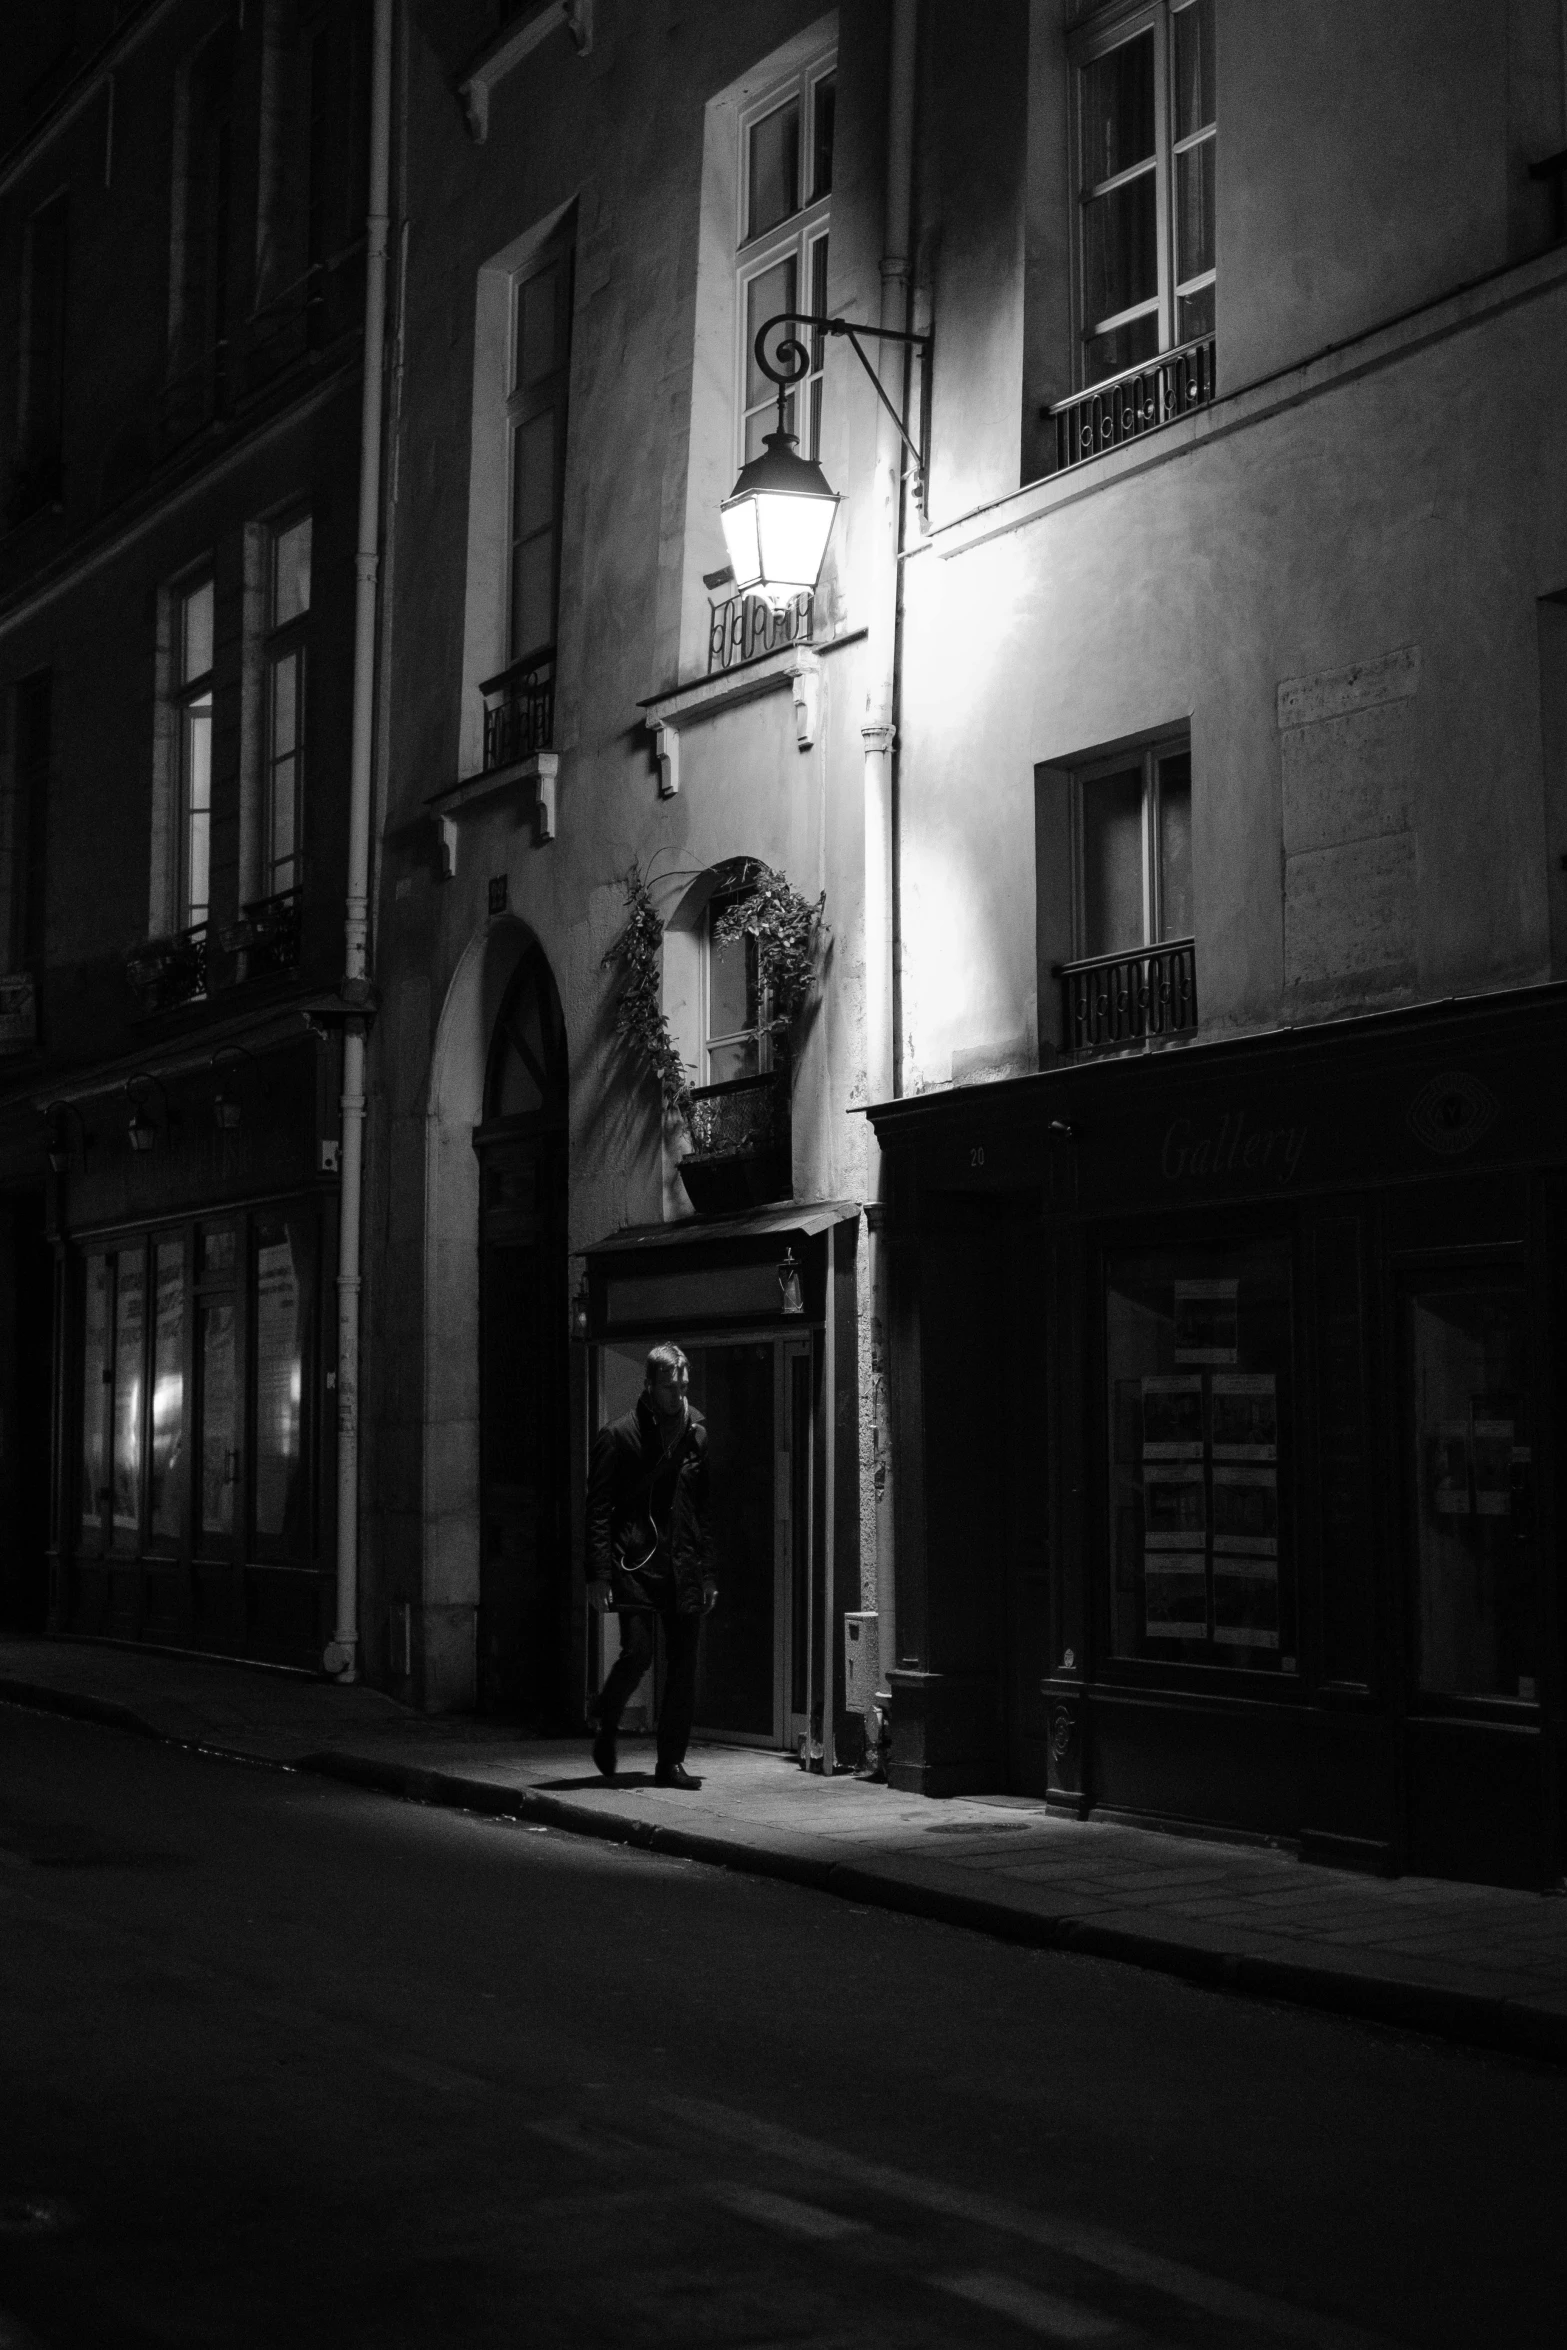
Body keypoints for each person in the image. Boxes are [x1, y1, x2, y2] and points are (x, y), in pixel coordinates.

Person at [585, 1342, 717, 1788]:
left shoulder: (696, 1430)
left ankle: (670, 1762)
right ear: (649, 1385)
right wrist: (599, 1574)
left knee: (683, 1665)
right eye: (669, 1387)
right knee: (638, 1652)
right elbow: (598, 1508)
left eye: (683, 1386)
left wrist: (709, 1570)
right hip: (636, 1561)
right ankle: (607, 1719)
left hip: (681, 1561)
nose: (678, 1395)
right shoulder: (620, 1435)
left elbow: (704, 1507)